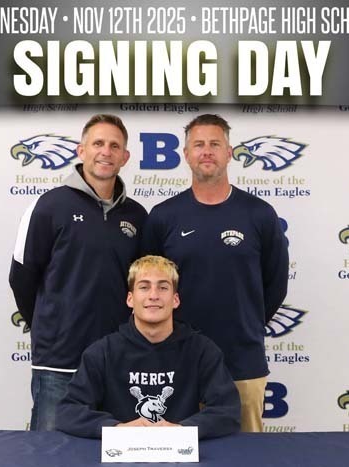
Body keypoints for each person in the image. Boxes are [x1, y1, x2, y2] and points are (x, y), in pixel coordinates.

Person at [141, 114, 289, 432]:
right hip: (177, 361)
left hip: (243, 361)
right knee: (179, 452)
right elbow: (148, 288)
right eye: (198, 144)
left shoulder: (260, 214)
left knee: (247, 455)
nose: (206, 151)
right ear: (186, 154)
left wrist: (247, 323)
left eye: (214, 144)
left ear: (229, 152)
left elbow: (275, 284)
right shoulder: (163, 217)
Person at [9, 114, 147, 431]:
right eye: (98, 143)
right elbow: (22, 276)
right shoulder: (48, 206)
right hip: (58, 359)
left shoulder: (137, 217)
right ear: (81, 151)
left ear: (125, 157)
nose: (106, 152)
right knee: (50, 452)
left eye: (115, 146)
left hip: (117, 358)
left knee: (113, 451)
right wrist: (50, 322)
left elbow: (141, 287)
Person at [56, 255, 240, 439]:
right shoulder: (102, 352)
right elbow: (68, 412)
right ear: (130, 299)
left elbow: (227, 411)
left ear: (175, 299)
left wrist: (182, 430)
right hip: (119, 456)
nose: (153, 295)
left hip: (180, 454)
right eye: (144, 287)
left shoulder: (202, 350)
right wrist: (116, 429)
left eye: (163, 287)